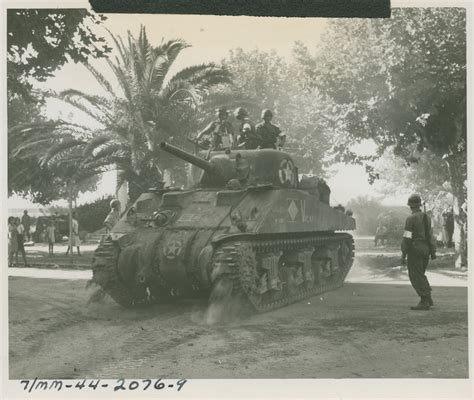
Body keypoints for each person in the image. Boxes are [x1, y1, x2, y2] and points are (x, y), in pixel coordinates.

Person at [401, 194, 436, 310]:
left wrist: (403, 253)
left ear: (410, 206)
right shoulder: (427, 217)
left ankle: (424, 300)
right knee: (421, 274)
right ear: (419, 205)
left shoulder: (410, 219)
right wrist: (432, 251)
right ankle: (428, 298)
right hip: (425, 248)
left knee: (415, 275)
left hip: (415, 249)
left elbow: (407, 238)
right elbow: (430, 235)